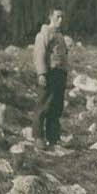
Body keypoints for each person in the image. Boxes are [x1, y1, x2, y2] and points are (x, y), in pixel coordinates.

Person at [32, 9, 68, 149]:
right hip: (49, 73)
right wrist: (41, 73)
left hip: (60, 75)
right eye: (58, 16)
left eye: (62, 17)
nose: (61, 20)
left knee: (56, 107)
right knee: (43, 105)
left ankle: (53, 138)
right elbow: (39, 54)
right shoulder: (44, 33)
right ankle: (38, 137)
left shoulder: (60, 35)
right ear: (50, 17)